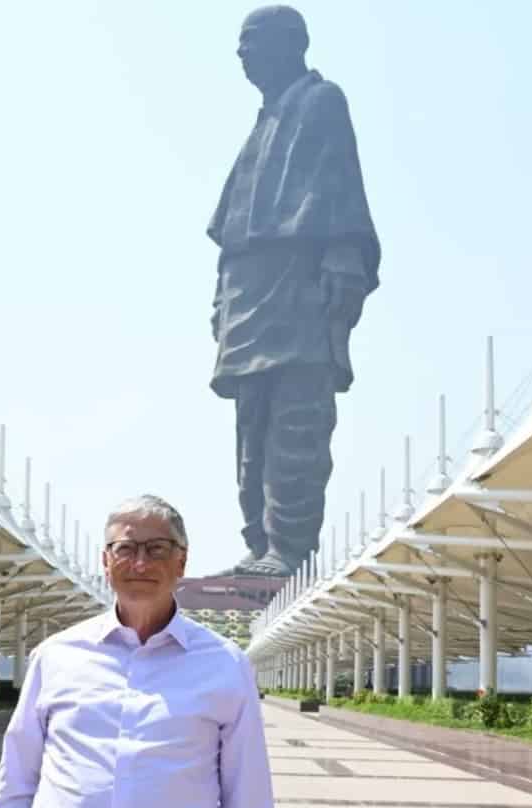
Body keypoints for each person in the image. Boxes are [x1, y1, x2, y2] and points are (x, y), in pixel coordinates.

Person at [0, 495, 276, 808]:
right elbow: (16, 787)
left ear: (182, 562)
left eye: (156, 549)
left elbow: (249, 806)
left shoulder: (224, 665)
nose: (140, 563)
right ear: (106, 562)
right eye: (125, 549)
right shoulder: (56, 657)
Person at [207, 5, 380, 578]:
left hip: (298, 285)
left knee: (297, 421)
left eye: (251, 41)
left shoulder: (320, 101)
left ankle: (288, 549)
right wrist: (221, 298)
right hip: (249, 292)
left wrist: (343, 256)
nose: (241, 55)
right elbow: (232, 225)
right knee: (250, 428)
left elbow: (342, 186)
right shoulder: (264, 121)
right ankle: (260, 543)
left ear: (290, 44)